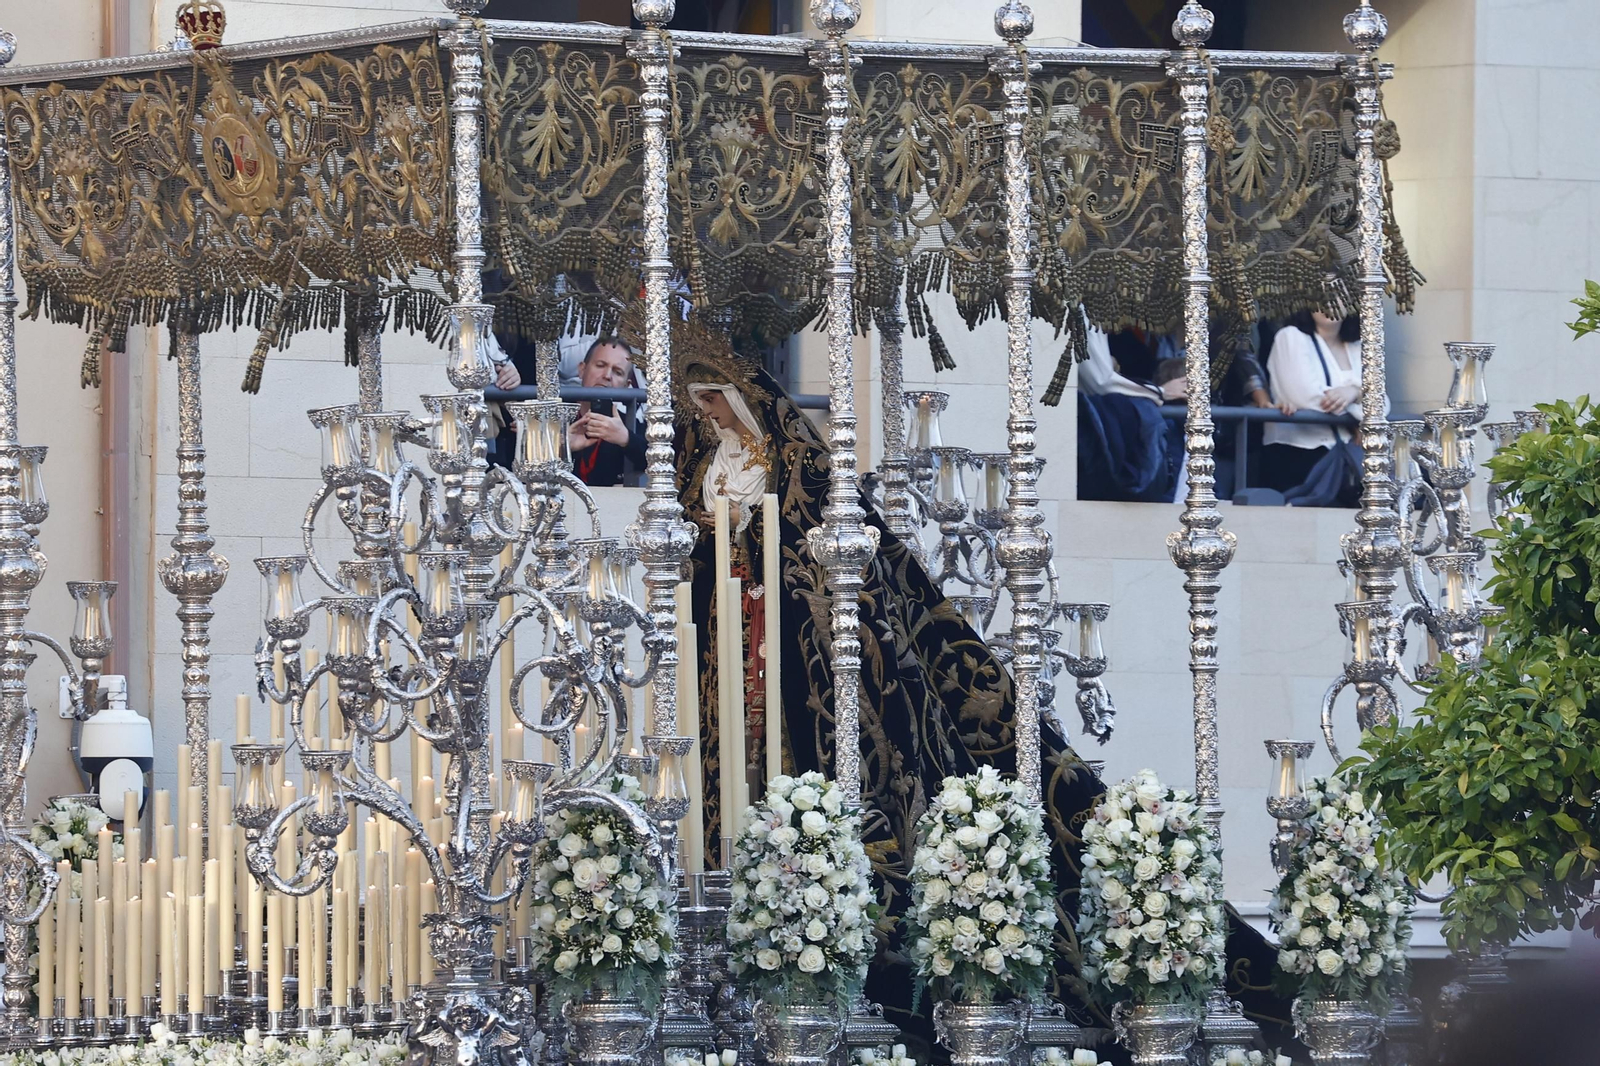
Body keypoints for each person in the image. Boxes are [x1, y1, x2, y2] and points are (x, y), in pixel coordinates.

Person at [661, 314, 1295, 1053]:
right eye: (698, 403)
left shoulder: (801, 468)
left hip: (794, 651)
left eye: (715, 399)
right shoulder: (701, 471)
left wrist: (764, 562)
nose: (706, 414)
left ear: (745, 398)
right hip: (728, 650)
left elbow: (832, 563)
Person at [1263, 310, 1364, 499]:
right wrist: (1355, 420)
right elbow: (1305, 396)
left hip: (1348, 456)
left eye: (1338, 295)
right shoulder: (1291, 336)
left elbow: (1381, 402)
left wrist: (1354, 392)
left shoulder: (1357, 346)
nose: (1330, 304)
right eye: (1322, 296)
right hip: (1299, 453)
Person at [568, 336, 646, 486]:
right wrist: (563, 447)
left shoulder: (632, 426)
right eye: (600, 365)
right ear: (582, 369)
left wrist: (627, 439)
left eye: (617, 372)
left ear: (626, 385)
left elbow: (661, 463)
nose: (607, 376)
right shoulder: (556, 417)